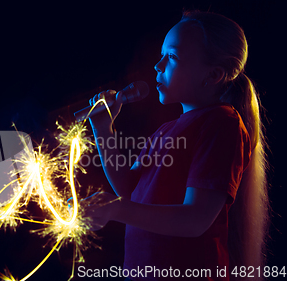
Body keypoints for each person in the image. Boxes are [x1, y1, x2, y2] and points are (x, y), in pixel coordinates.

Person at [85, 10, 269, 281]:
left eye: (171, 57)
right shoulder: (166, 130)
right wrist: (103, 129)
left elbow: (195, 219)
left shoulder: (222, 124)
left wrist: (115, 209)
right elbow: (128, 188)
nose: (157, 66)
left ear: (214, 74)